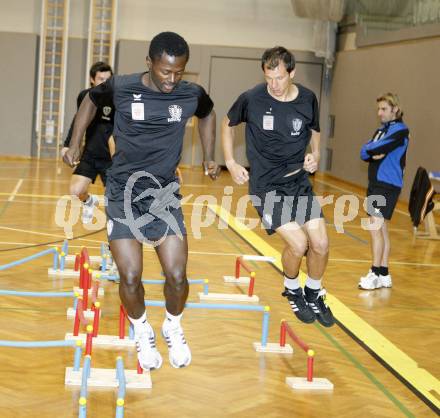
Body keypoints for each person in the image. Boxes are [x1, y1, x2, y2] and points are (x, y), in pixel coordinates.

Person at [63, 32, 219, 370]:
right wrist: (75, 141)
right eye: (165, 71)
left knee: (177, 275)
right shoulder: (122, 86)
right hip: (122, 191)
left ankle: (172, 326)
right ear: (149, 63)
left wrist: (210, 156)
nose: (171, 79)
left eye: (179, 72)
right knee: (131, 276)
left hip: (163, 193)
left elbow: (207, 113)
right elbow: (90, 100)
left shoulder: (190, 94)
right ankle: (142, 329)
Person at [222, 46, 334, 327]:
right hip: (266, 187)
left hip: (299, 182)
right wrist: (231, 162)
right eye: (268, 78)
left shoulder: (308, 99)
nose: (273, 85)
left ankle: (314, 291)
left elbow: (316, 130)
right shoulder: (252, 98)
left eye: (280, 78)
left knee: (320, 243)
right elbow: (227, 124)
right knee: (298, 244)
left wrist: (316, 154)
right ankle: (293, 288)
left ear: (292, 73)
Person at [359, 93, 409, 290]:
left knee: (374, 229)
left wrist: (371, 149)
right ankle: (384, 273)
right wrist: (371, 150)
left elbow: (378, 147)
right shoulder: (381, 130)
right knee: (381, 230)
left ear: (395, 109)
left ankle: (374, 272)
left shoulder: (400, 131)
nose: (379, 113)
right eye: (378, 109)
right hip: (376, 184)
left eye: (384, 109)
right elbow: (365, 151)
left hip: (386, 185)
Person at [61, 61, 115, 224]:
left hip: (111, 159)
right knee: (76, 190)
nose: (104, 82)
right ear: (92, 79)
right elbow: (78, 121)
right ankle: (88, 202)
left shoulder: (117, 99)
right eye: (100, 79)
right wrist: (68, 145)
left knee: (115, 202)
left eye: (108, 79)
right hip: (90, 154)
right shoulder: (85, 96)